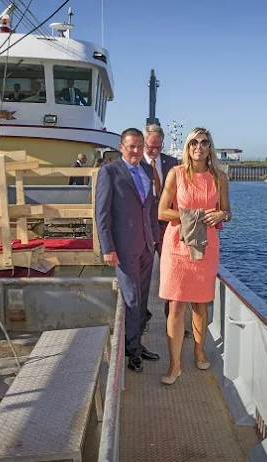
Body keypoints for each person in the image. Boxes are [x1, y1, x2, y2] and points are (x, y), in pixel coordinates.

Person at [157, 127, 231, 385]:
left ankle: (199, 351)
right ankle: (174, 365)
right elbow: (162, 212)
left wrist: (221, 215)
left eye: (204, 142)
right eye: (193, 143)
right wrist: (193, 215)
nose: (198, 147)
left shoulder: (220, 177)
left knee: (200, 304)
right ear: (188, 148)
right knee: (176, 305)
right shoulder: (175, 175)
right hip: (177, 245)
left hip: (207, 246)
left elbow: (227, 211)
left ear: (210, 147)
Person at [95, 128, 160, 373]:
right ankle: (131, 351)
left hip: (146, 246)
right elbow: (102, 213)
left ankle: (137, 342)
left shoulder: (147, 170)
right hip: (123, 248)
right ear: (121, 147)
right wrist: (107, 247)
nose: (136, 151)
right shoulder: (109, 172)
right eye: (131, 146)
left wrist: (154, 239)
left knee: (142, 298)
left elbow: (150, 209)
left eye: (139, 146)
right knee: (131, 298)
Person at [141, 124, 193, 337]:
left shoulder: (172, 164)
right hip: (143, 228)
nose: (153, 151)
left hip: (167, 229)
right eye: (149, 147)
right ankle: (140, 322)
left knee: (173, 277)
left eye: (157, 147)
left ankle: (174, 321)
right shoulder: (134, 165)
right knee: (141, 278)